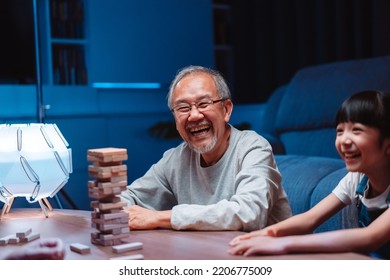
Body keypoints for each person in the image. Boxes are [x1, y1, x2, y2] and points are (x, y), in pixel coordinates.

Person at [121, 65, 292, 231]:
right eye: (183, 108)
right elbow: (130, 198)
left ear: (226, 110)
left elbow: (249, 213)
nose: (194, 115)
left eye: (203, 104)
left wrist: (160, 217)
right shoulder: (176, 158)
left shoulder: (253, 147)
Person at [228, 90, 390, 259]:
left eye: (357, 130)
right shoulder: (357, 179)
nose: (344, 140)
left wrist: (284, 244)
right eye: (340, 131)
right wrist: (267, 233)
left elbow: (371, 237)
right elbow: (310, 219)